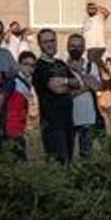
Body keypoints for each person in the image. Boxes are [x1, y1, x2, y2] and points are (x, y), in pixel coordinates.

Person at [31, 28, 81, 163]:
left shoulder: (61, 63)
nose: (50, 44)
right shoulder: (39, 66)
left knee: (68, 162)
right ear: (39, 45)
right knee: (58, 164)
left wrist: (64, 81)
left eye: (52, 40)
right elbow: (56, 89)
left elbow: (78, 83)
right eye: (45, 41)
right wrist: (68, 85)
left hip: (68, 121)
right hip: (52, 124)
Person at [64, 32, 104, 159]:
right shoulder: (61, 66)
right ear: (67, 47)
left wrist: (78, 72)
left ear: (84, 48)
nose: (75, 49)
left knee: (87, 155)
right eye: (72, 46)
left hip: (88, 117)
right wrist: (86, 85)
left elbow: (97, 86)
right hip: (67, 117)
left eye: (79, 46)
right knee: (67, 155)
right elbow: (64, 93)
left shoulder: (91, 66)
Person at [1, 52, 37, 159]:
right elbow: (1, 98)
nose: (29, 68)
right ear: (19, 65)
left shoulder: (28, 82)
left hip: (19, 127)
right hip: (10, 128)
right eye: (26, 64)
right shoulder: (14, 81)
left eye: (32, 65)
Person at [82, 3, 110, 70]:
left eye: (93, 8)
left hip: (98, 47)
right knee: (90, 68)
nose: (91, 10)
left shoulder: (99, 17)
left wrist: (98, 7)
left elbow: (107, 13)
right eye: (89, 8)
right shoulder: (85, 20)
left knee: (99, 67)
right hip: (88, 48)